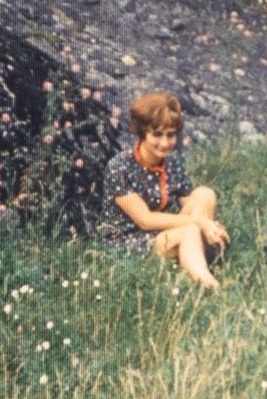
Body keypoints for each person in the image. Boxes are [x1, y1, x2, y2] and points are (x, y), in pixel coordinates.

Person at [98, 91, 229, 289]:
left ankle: (194, 263)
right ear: (142, 132)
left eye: (171, 135)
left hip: (162, 233)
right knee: (190, 231)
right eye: (157, 134)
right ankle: (209, 286)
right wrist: (202, 223)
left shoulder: (172, 162)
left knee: (205, 194)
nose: (165, 143)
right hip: (128, 240)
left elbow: (190, 203)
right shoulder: (119, 166)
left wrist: (208, 225)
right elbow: (145, 220)